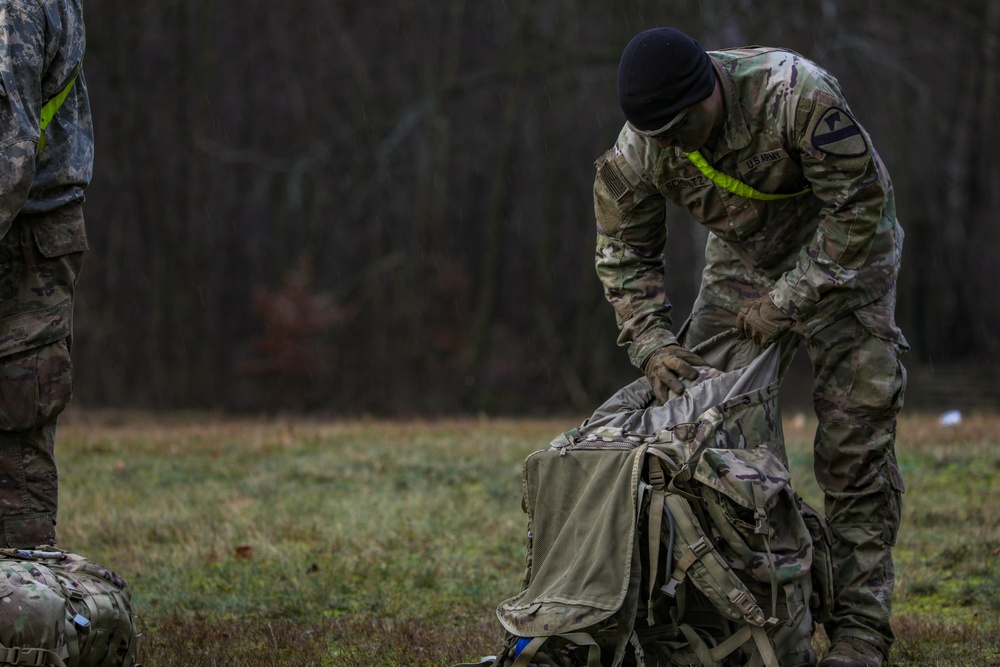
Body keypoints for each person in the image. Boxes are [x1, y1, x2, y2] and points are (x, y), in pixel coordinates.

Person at [593, 27, 907, 667]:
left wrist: (788, 301)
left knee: (854, 448)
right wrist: (652, 342)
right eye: (661, 136)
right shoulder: (644, 148)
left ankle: (859, 633)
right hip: (743, 266)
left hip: (845, 260)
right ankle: (740, 620)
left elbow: (860, 212)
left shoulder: (796, 96)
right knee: (705, 434)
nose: (675, 143)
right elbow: (623, 250)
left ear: (709, 88)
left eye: (684, 126)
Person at [0, 0, 92, 547]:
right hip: (36, 228)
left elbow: (8, 152)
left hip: (22, 239)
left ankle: (20, 622)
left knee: (14, 440)